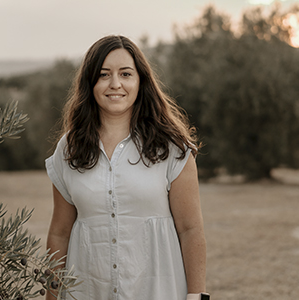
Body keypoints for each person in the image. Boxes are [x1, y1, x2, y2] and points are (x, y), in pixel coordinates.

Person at [45, 35, 207, 300]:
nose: (115, 84)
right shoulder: (69, 149)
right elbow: (59, 233)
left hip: (159, 292)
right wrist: (51, 297)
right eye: (104, 74)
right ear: (90, 83)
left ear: (140, 81)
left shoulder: (172, 148)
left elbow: (191, 230)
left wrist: (197, 295)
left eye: (126, 74)